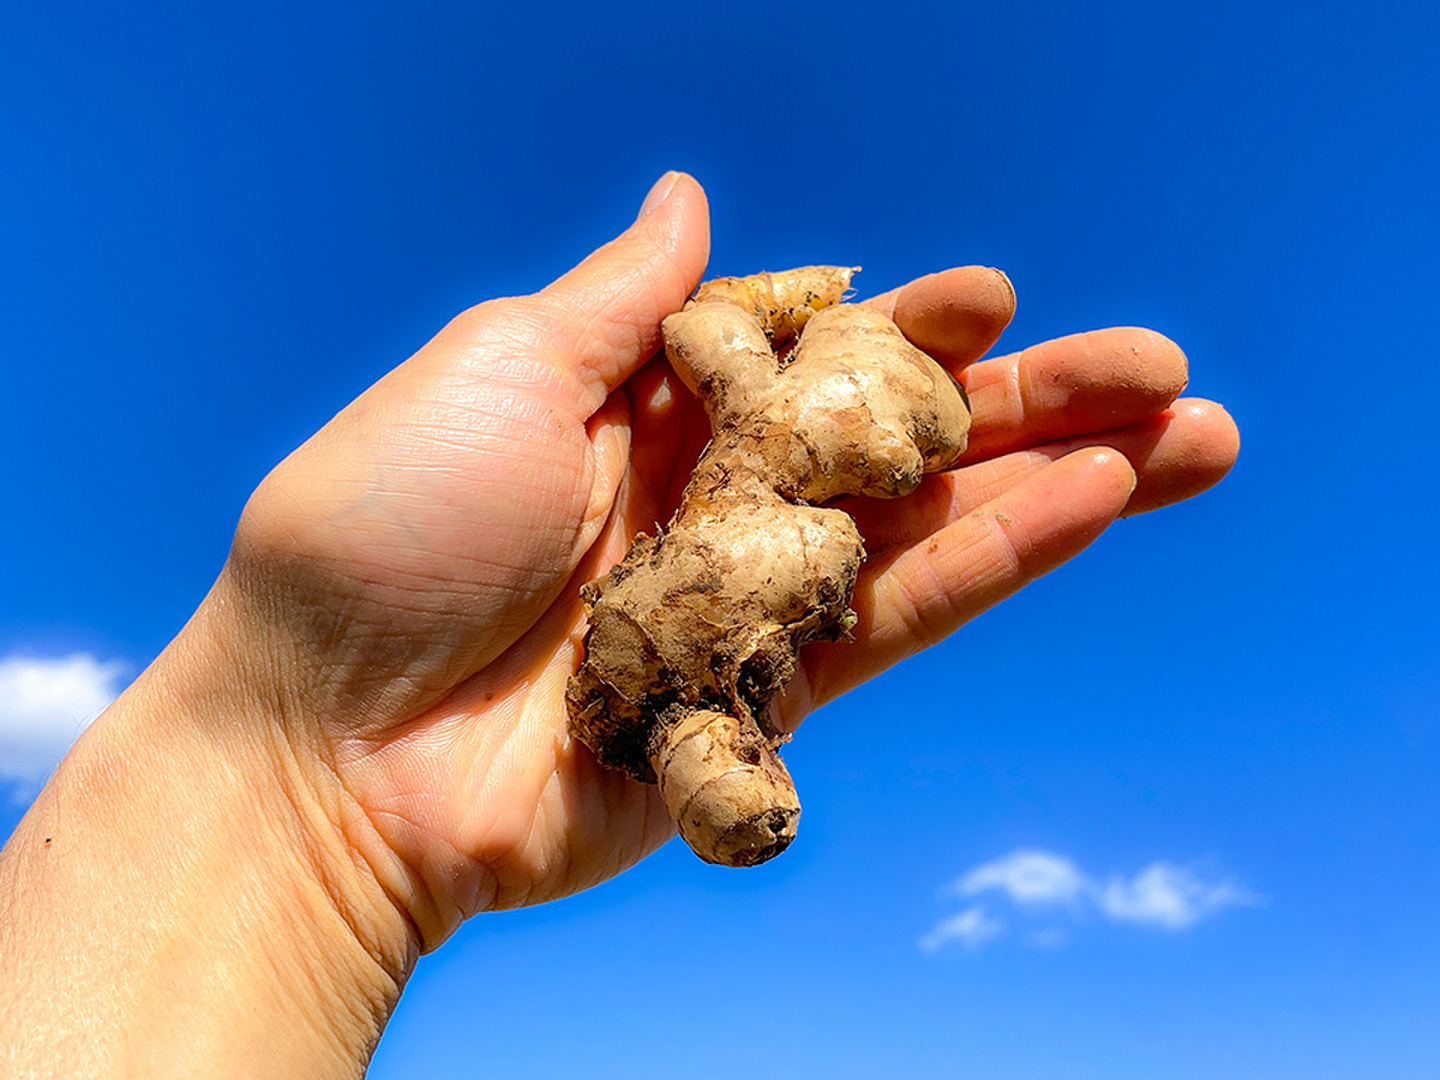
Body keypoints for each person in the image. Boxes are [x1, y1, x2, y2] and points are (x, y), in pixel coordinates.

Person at [0, 173, 1238, 1077]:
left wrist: (293, 794)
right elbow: (705, 326)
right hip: (679, 619)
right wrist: (802, 295)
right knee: (813, 559)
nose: (897, 462)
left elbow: (707, 329)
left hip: (675, 628)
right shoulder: (779, 476)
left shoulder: (783, 498)